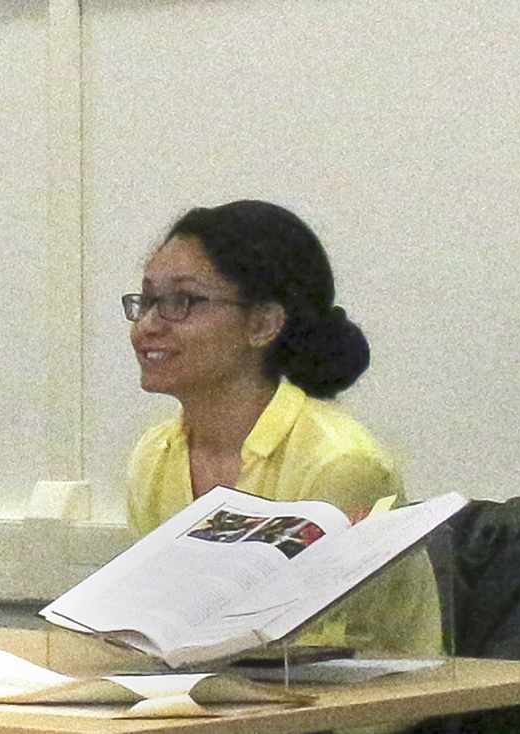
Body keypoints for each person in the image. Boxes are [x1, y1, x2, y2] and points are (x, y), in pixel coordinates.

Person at [123, 199, 441, 658]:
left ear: (262, 324)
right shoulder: (154, 455)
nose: (147, 326)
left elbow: (315, 651)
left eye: (181, 302)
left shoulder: (340, 464)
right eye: (147, 301)